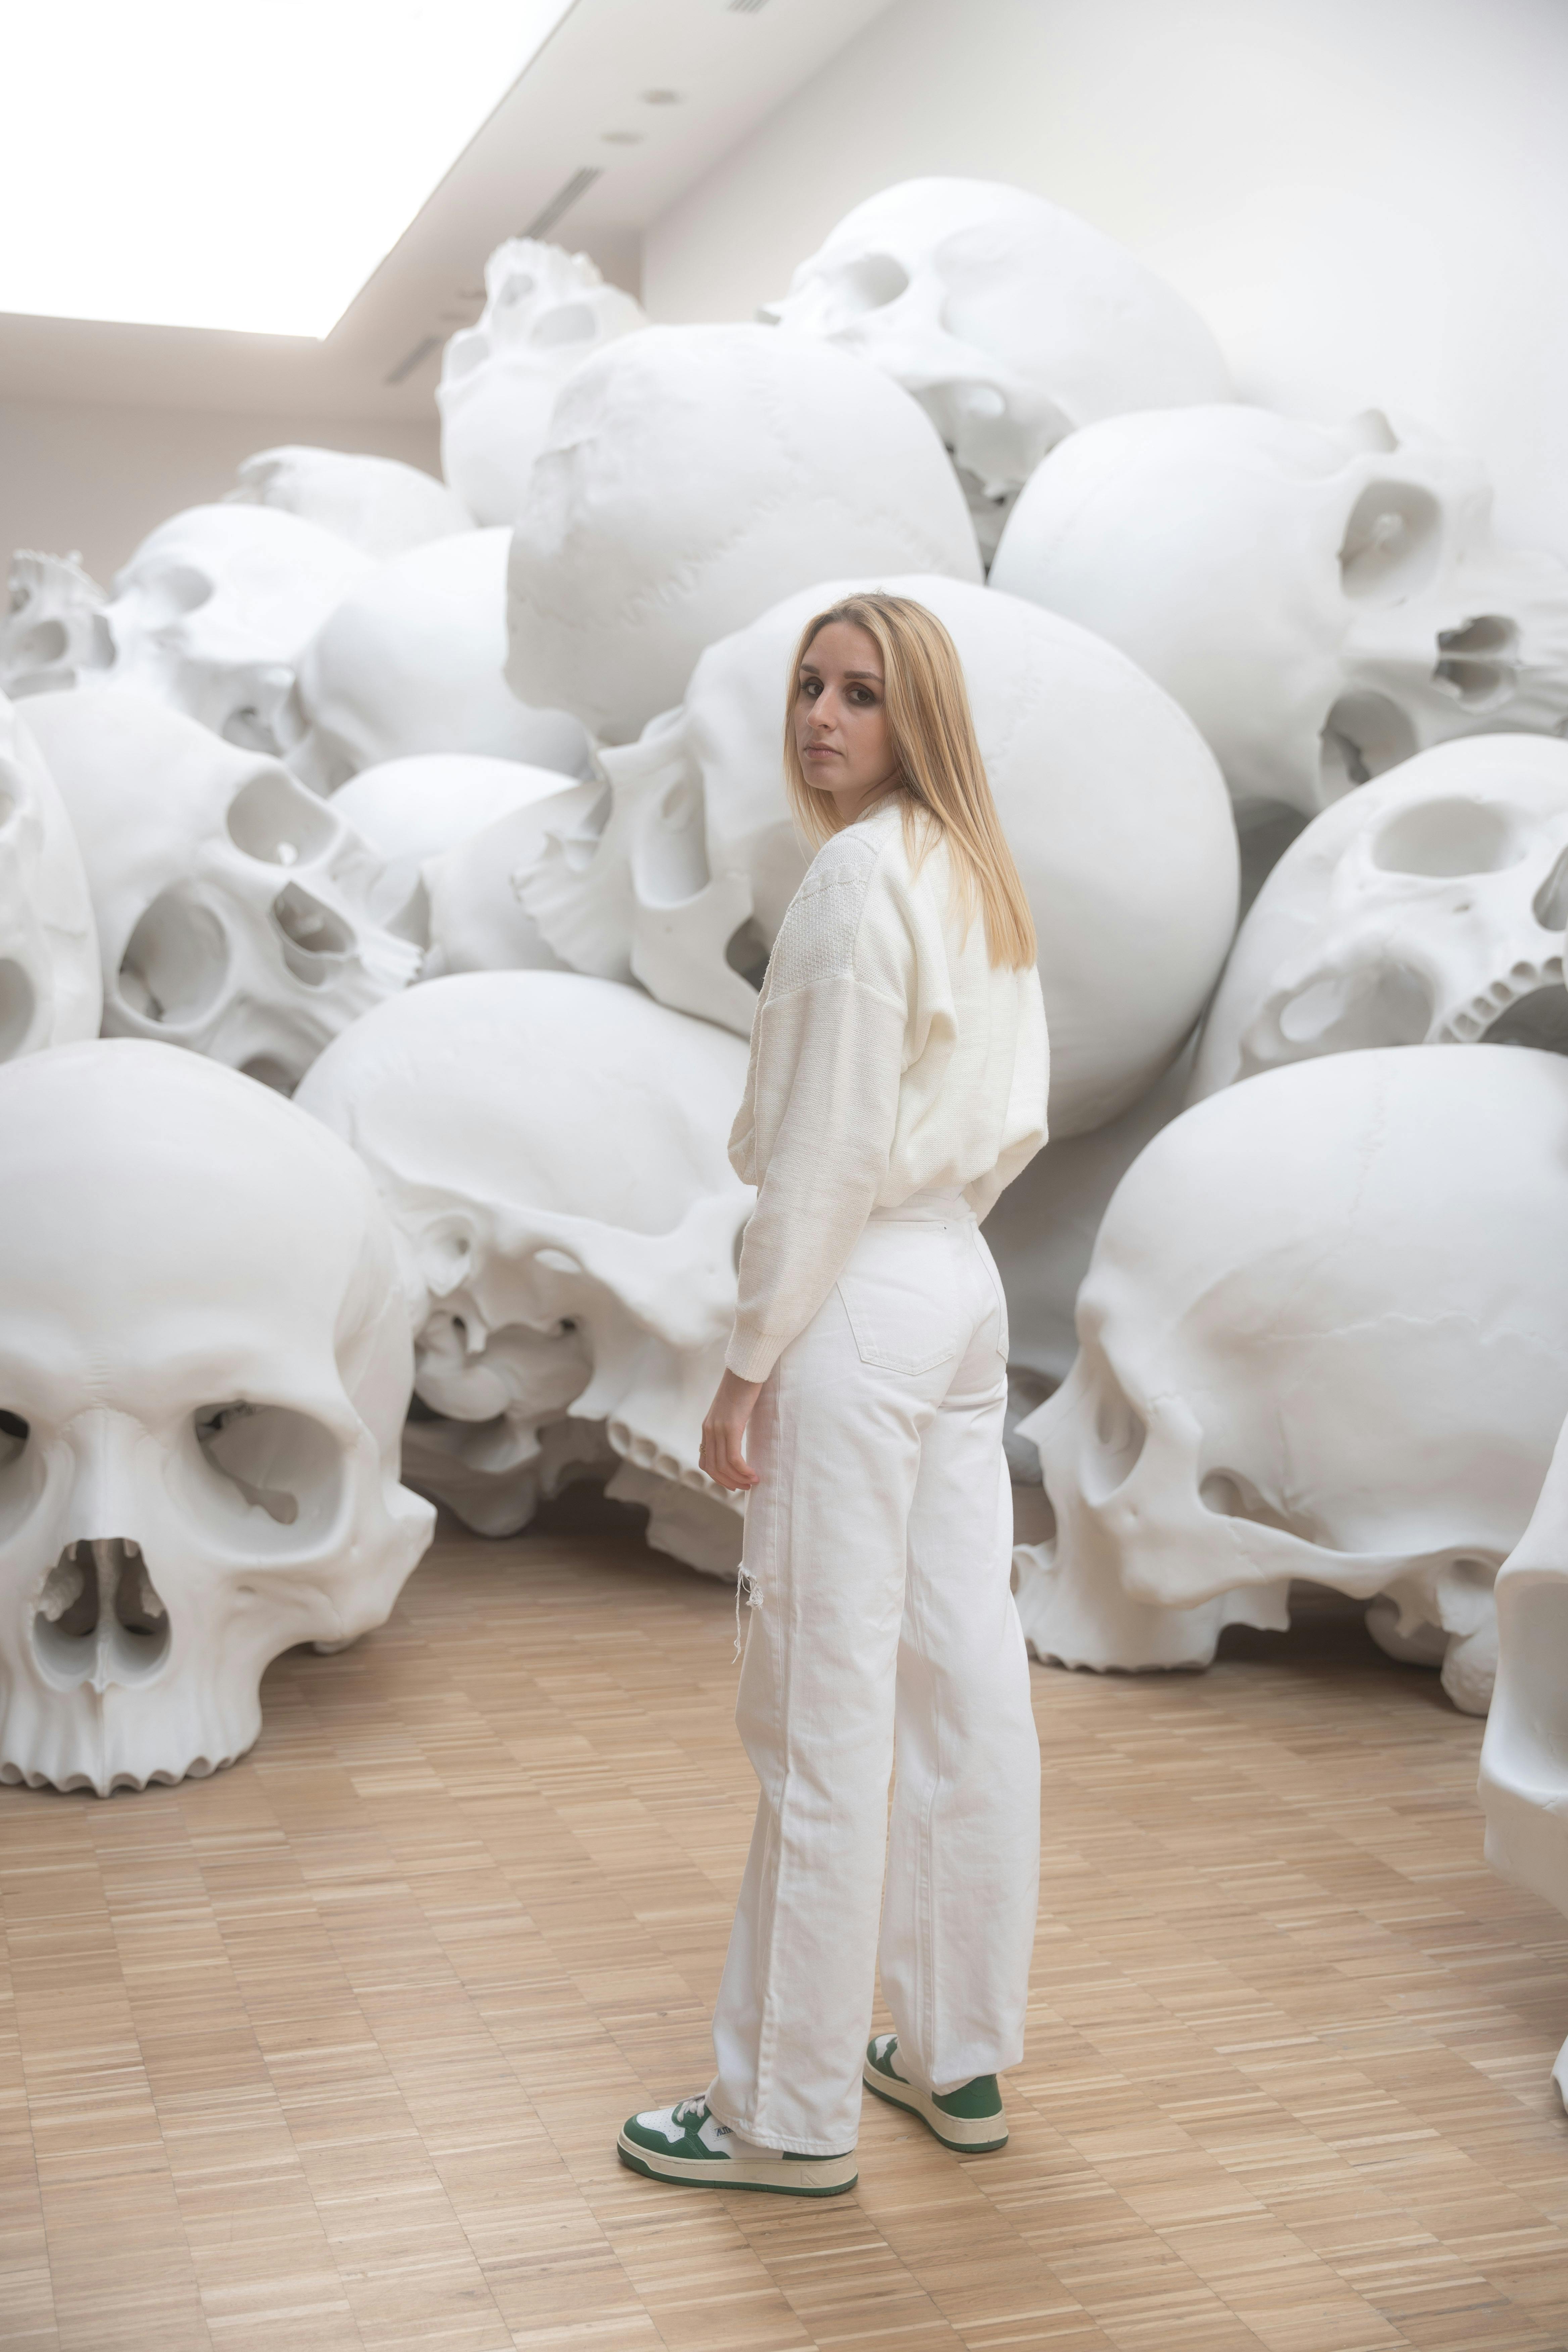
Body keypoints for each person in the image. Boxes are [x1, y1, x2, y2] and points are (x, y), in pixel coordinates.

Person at [617, 593, 1049, 2198]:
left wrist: (746, 1365)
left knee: (820, 1710)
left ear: (912, 716)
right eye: (809, 686)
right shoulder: (977, 872)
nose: (821, 718)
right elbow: (995, 1118)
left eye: (860, 695)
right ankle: (957, 2057)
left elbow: (819, 1154)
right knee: (964, 1685)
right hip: (958, 1287)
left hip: (862, 1286)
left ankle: (780, 2116)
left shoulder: (854, 878)